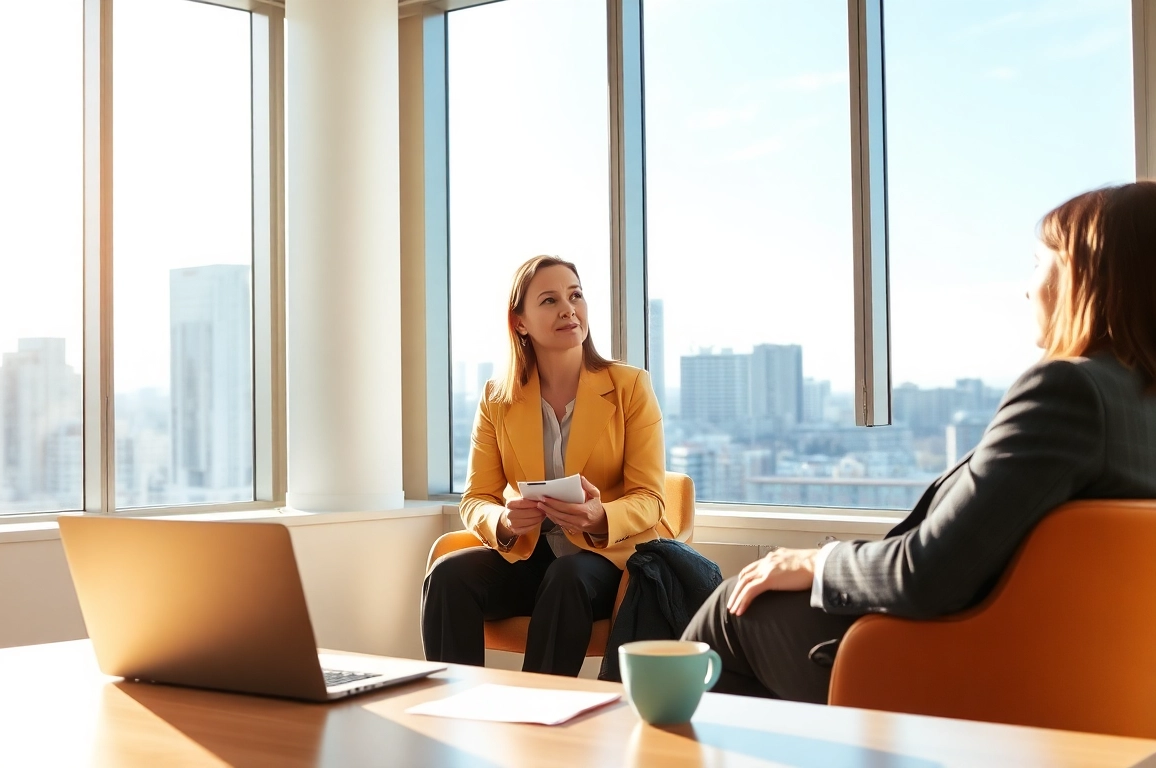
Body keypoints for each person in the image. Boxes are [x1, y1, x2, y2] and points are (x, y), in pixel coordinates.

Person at [680, 181, 1156, 703]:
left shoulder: (1069, 392)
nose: (1026, 288)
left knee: (732, 609)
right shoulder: (1136, 404)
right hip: (1079, 671)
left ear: (1085, 274)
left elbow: (928, 572)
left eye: (1038, 262)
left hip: (956, 667)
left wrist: (814, 561)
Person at [422, 255, 667, 676]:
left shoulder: (630, 388)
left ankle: (539, 716)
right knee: (448, 576)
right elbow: (476, 498)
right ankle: (449, 707)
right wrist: (502, 520)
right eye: (550, 300)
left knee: (568, 575)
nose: (569, 309)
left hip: (603, 560)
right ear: (520, 322)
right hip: (529, 557)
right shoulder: (497, 399)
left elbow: (651, 498)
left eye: (575, 295)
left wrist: (599, 514)